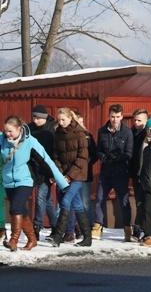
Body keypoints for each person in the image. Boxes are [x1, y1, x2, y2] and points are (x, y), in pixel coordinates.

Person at [1, 116, 68, 251]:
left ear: (19, 129)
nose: (7, 134)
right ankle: (32, 239)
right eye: (5, 131)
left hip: (25, 180)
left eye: (10, 131)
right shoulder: (2, 140)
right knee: (22, 212)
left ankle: (14, 240)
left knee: (15, 208)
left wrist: (62, 183)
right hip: (8, 181)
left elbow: (47, 161)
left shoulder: (30, 141)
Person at [47, 108, 92, 247]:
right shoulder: (58, 134)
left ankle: (57, 235)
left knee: (66, 201)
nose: (61, 123)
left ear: (70, 118)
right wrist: (60, 174)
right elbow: (56, 156)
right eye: (59, 120)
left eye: (63, 120)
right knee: (77, 204)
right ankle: (87, 237)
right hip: (64, 174)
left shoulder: (80, 133)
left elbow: (82, 158)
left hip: (78, 174)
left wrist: (70, 175)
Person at [93, 104, 134, 241]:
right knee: (99, 199)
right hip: (106, 171)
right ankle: (98, 227)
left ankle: (127, 228)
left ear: (122, 116)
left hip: (120, 172)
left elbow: (129, 153)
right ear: (109, 116)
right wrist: (102, 156)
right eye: (112, 117)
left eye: (117, 117)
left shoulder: (127, 132)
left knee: (123, 201)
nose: (115, 120)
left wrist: (118, 157)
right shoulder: (102, 131)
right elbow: (98, 149)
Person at [28, 105, 58, 242]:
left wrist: (53, 172)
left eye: (39, 118)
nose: (36, 120)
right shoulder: (29, 129)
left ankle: (37, 226)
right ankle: (56, 226)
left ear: (45, 118)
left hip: (47, 168)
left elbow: (55, 152)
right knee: (48, 200)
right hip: (34, 168)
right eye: (34, 117)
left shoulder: (51, 129)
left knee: (40, 197)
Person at [129, 108, 149, 242]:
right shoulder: (131, 133)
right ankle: (138, 230)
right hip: (135, 172)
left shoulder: (148, 135)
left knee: (147, 204)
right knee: (139, 203)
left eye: (139, 120)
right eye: (135, 120)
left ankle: (146, 230)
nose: (136, 123)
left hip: (146, 174)